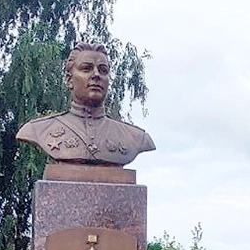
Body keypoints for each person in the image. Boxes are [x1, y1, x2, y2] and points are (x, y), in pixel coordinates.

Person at [16, 42, 155, 166]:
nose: (96, 75)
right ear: (69, 80)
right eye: (86, 69)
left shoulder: (136, 138)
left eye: (103, 70)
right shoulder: (38, 130)